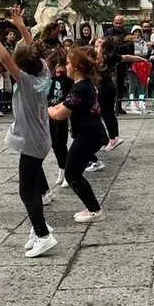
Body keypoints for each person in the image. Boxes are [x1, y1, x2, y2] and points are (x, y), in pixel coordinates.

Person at [0, 6, 57, 258]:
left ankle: (44, 236)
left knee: (26, 191)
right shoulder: (43, 71)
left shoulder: (26, 81)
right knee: (33, 186)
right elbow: (31, 48)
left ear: (21, 66)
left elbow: (5, 60)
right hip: (41, 137)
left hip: (33, 142)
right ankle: (39, 227)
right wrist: (21, 25)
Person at [48, 46, 105, 223]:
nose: (65, 67)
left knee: (72, 174)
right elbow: (65, 104)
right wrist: (53, 108)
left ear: (77, 66)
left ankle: (95, 210)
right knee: (74, 172)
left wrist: (47, 110)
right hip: (91, 133)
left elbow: (60, 114)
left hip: (89, 135)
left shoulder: (80, 88)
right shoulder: (83, 85)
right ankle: (92, 208)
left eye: (67, 63)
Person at [47, 53, 72, 187]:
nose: (59, 72)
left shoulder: (69, 81)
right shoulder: (51, 80)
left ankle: (67, 171)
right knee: (54, 144)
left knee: (60, 143)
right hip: (51, 113)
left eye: (61, 70)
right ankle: (61, 168)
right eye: (57, 70)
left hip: (62, 113)